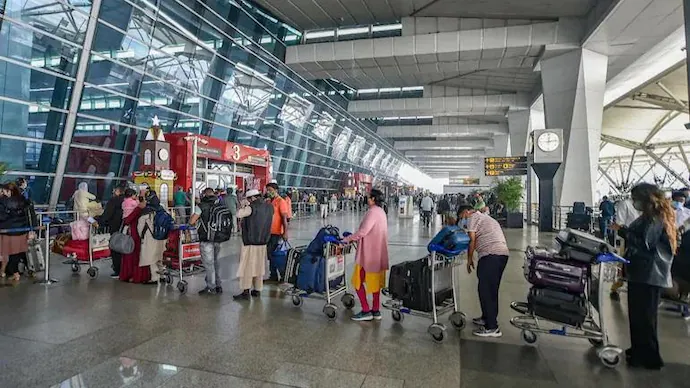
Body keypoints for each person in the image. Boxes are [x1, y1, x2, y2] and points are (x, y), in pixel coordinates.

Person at [610, 183, 676, 370]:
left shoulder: (656, 219)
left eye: (636, 198)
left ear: (646, 199)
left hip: (650, 274)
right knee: (638, 315)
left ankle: (649, 357)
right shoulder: (649, 217)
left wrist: (622, 231)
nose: (634, 202)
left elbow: (646, 243)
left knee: (645, 317)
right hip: (642, 273)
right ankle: (639, 350)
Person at [457, 202, 509, 337]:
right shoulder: (483, 217)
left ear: (467, 212)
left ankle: (492, 327)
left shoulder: (472, 218)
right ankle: (486, 318)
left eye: (462, 216)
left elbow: (471, 239)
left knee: (487, 290)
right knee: (489, 289)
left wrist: (469, 259)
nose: (462, 220)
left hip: (491, 255)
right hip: (499, 254)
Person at [342, 189, 390, 321]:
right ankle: (376, 310)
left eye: (368, 197)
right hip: (378, 254)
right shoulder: (381, 212)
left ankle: (365, 310)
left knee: (357, 281)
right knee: (375, 284)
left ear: (373, 199)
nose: (366, 198)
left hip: (368, 255)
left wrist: (348, 239)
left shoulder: (372, 212)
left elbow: (363, 231)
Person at [233, 189, 274, 300]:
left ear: (251, 198)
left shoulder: (251, 208)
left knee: (247, 267)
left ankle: (246, 291)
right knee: (259, 266)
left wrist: (242, 205)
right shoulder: (269, 207)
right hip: (263, 241)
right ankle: (257, 289)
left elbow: (238, 214)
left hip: (250, 242)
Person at [189, 188, 224, 294]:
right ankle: (218, 285)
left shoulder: (201, 206)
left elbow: (192, 221)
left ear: (204, 194)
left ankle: (210, 286)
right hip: (218, 237)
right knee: (216, 262)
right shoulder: (220, 205)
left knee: (209, 264)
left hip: (206, 238)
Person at [610, 196, 642, 300]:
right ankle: (616, 286)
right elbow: (620, 223)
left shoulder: (647, 206)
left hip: (640, 239)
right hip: (628, 238)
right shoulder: (625, 204)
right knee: (624, 263)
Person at [0, 183, 32, 281]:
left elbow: (2, 217)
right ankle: (24, 271)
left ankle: (12, 273)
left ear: (9, 191)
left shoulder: (4, 202)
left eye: (4, 191)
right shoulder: (23, 200)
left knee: (6, 252)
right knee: (17, 253)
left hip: (8, 232)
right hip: (21, 231)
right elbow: (29, 216)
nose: (3, 193)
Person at [119, 190, 152, 284]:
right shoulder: (145, 207)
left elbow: (127, 220)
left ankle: (129, 275)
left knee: (130, 254)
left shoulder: (127, 205)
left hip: (132, 232)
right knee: (138, 254)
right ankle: (138, 276)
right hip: (140, 233)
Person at [136, 190, 167, 284]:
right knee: (160, 256)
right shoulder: (162, 209)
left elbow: (140, 227)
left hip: (150, 237)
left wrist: (141, 236)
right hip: (162, 236)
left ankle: (154, 277)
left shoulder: (146, 212)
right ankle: (163, 275)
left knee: (152, 257)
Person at [98, 185, 125, 278]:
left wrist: (100, 222)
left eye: (114, 191)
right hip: (126, 228)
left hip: (115, 227)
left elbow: (107, 214)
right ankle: (126, 269)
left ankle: (118, 270)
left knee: (115, 248)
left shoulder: (113, 201)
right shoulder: (129, 201)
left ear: (118, 191)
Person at [265, 183, 289, 281]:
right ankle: (273, 275)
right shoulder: (270, 202)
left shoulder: (281, 201)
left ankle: (283, 275)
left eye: (270, 190)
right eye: (267, 190)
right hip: (269, 233)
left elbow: (284, 219)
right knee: (270, 254)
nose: (268, 192)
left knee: (277, 255)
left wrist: (285, 232)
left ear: (276, 190)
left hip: (278, 233)